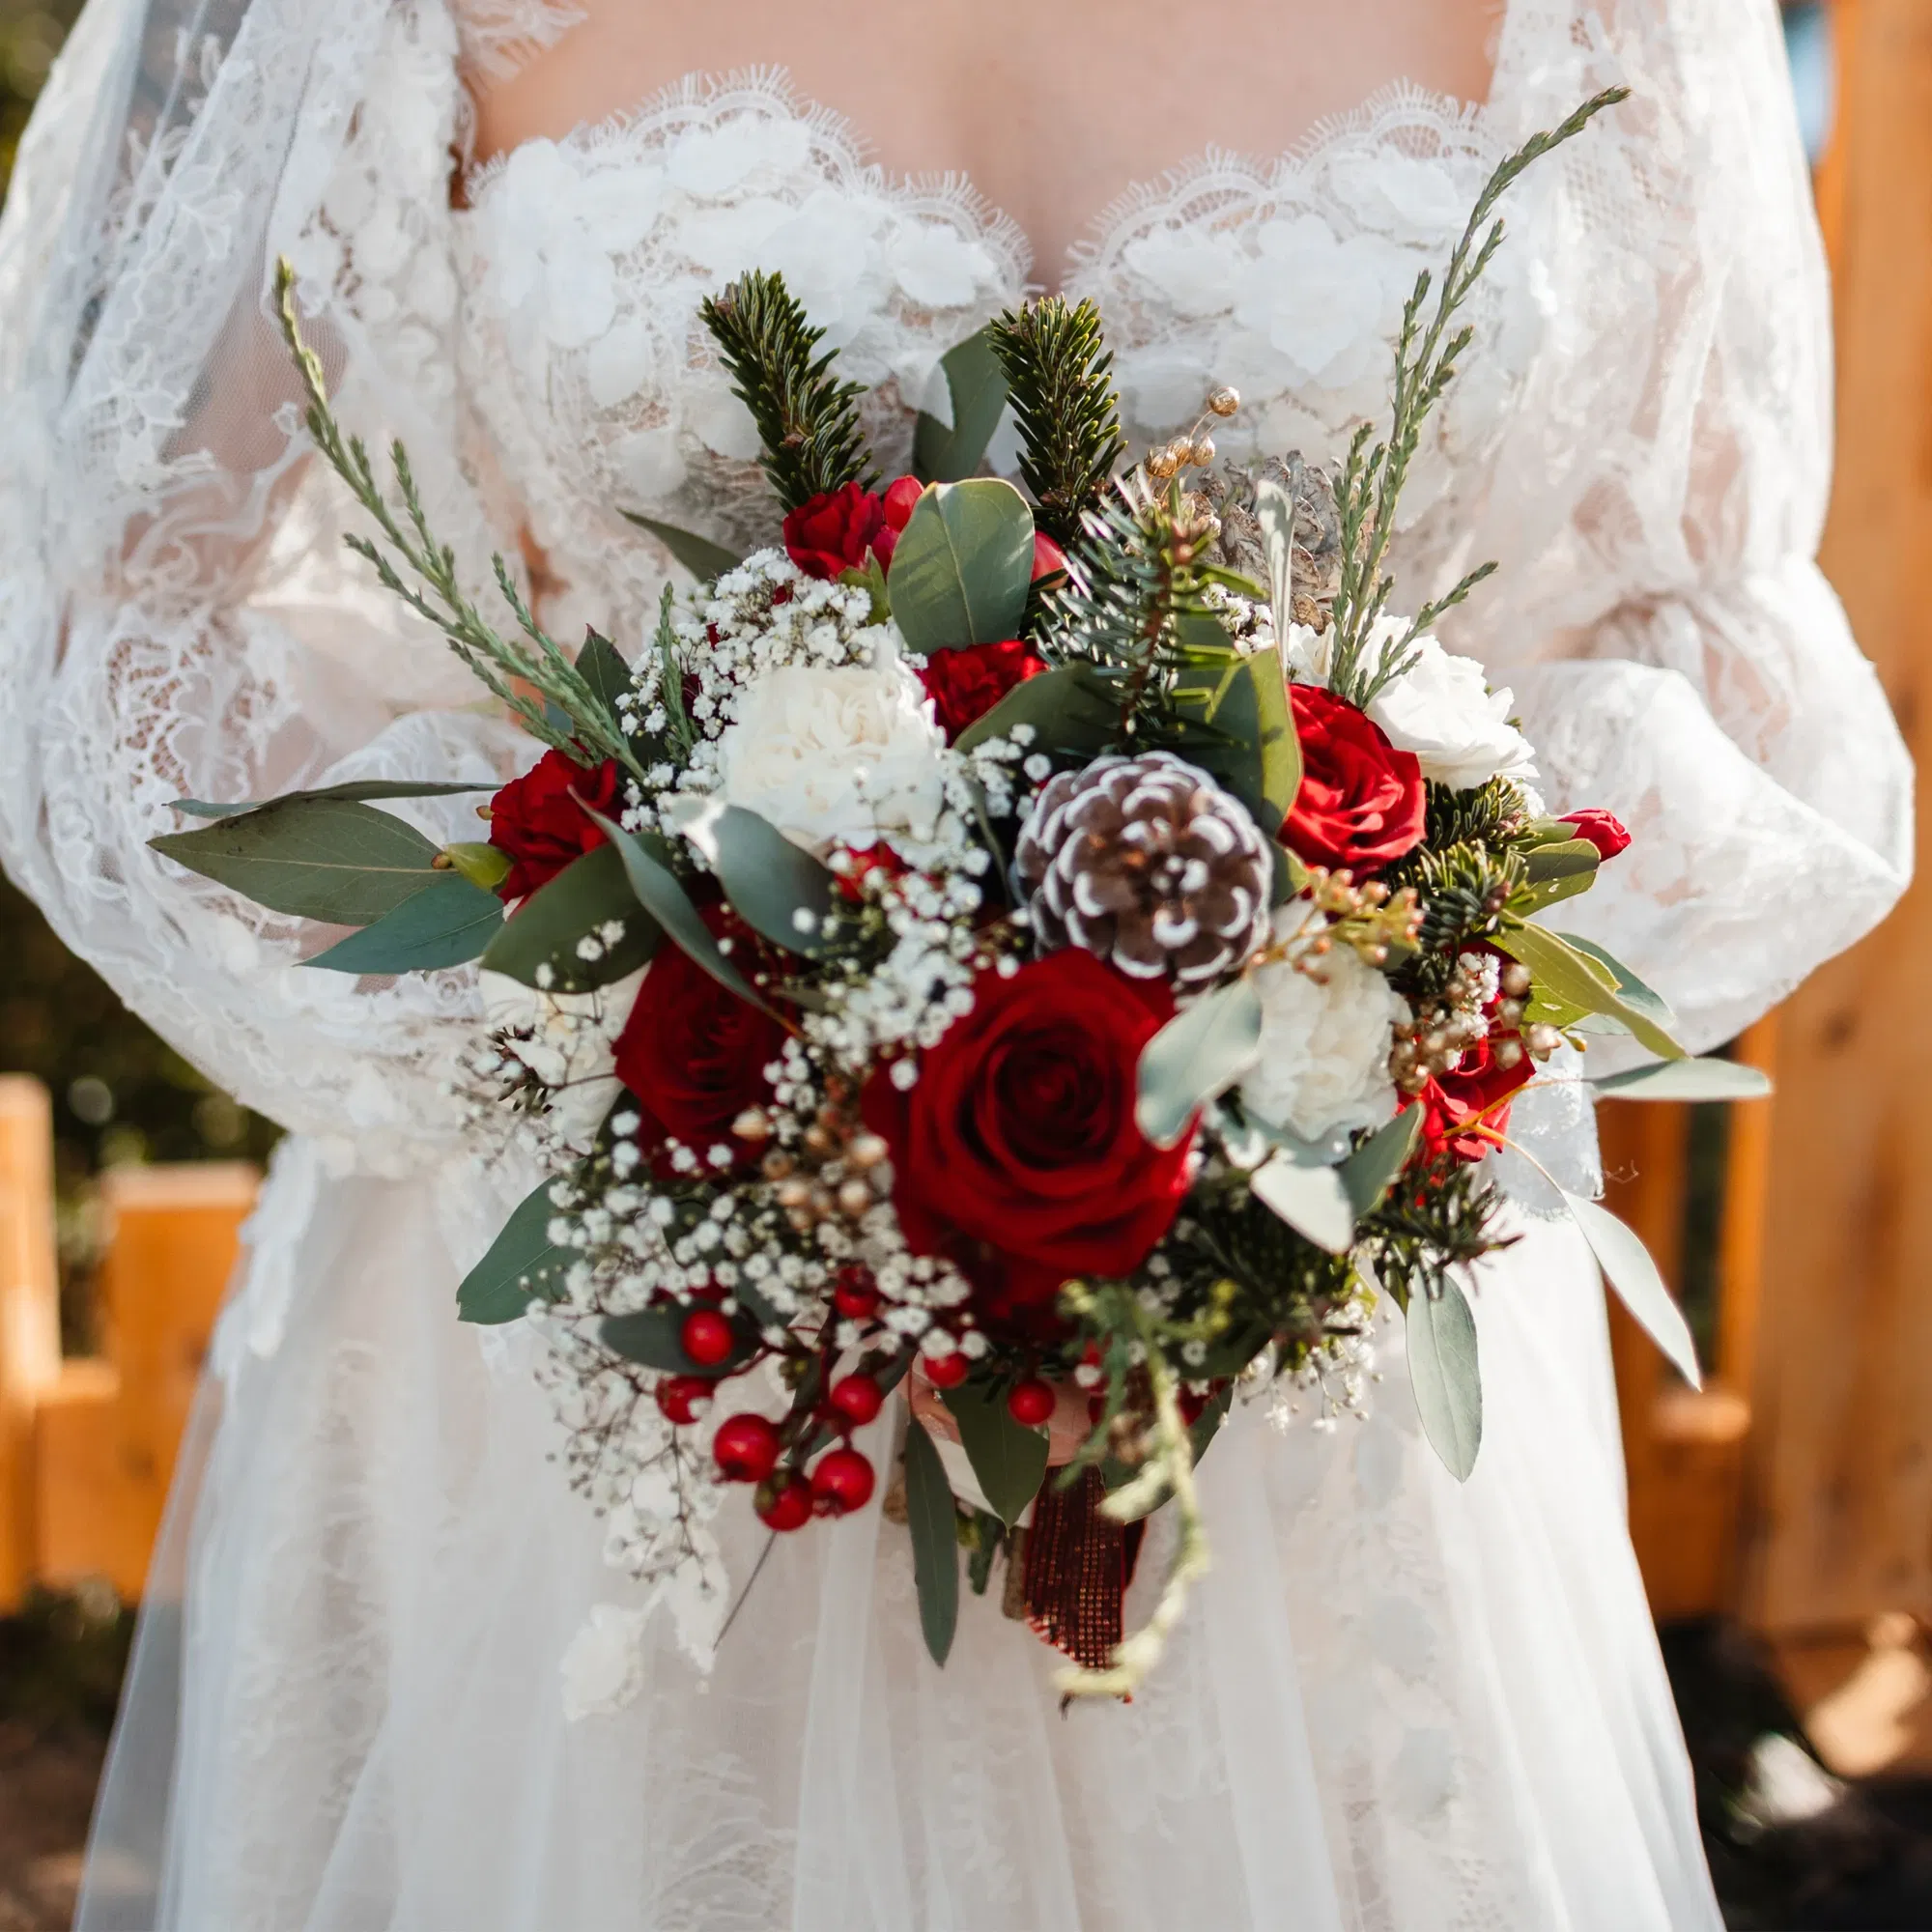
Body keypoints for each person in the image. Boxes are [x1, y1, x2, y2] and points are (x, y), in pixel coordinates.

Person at [0, 0, 1908, 1925]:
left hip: (1303, 1375)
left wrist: (1362, 1012)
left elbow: (1710, 627)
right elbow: (113, 614)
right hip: (637, 1347)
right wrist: (639, 1022)